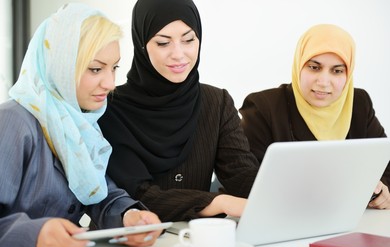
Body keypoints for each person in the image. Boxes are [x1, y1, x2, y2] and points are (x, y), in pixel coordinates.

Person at [0, 3, 162, 247]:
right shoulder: (13, 123)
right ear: (60, 65)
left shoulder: (79, 122)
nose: (110, 84)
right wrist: (35, 235)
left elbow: (97, 192)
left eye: (114, 68)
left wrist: (130, 217)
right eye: (95, 69)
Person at [98, 0, 259, 222]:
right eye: (163, 43)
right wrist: (218, 202)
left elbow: (241, 175)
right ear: (142, 44)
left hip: (196, 243)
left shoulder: (216, 102)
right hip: (132, 244)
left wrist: (283, 190)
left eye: (189, 40)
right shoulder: (109, 108)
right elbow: (139, 196)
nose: (179, 54)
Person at [239, 24, 390, 209]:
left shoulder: (358, 103)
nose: (324, 82)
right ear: (299, 65)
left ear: (348, 74)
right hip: (281, 221)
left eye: (337, 71)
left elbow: (384, 164)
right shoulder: (262, 107)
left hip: (346, 223)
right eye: (314, 67)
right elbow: (245, 180)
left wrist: (379, 191)